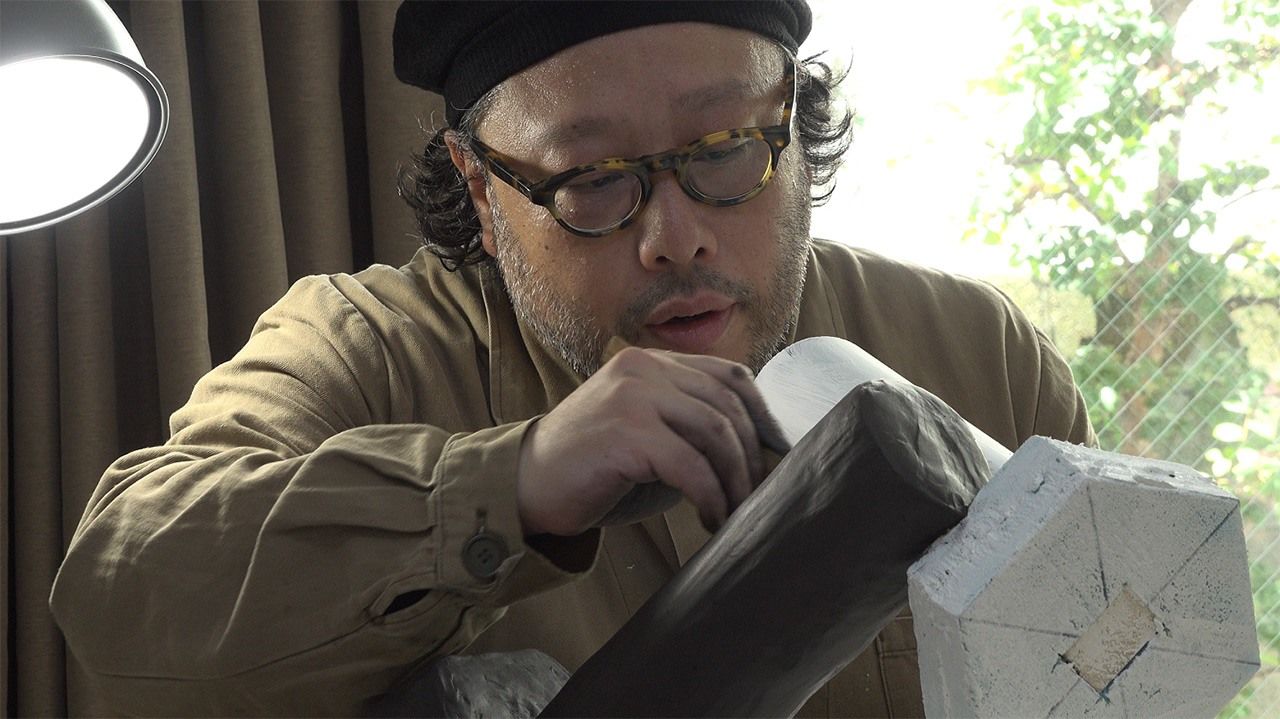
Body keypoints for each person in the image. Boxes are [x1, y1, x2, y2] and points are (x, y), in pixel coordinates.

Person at [50, 1, 1094, 716]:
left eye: (725, 150)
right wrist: (514, 483)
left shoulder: (979, 353)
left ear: (790, 118)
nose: (675, 238)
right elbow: (120, 596)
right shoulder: (363, 351)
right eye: (591, 179)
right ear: (479, 188)